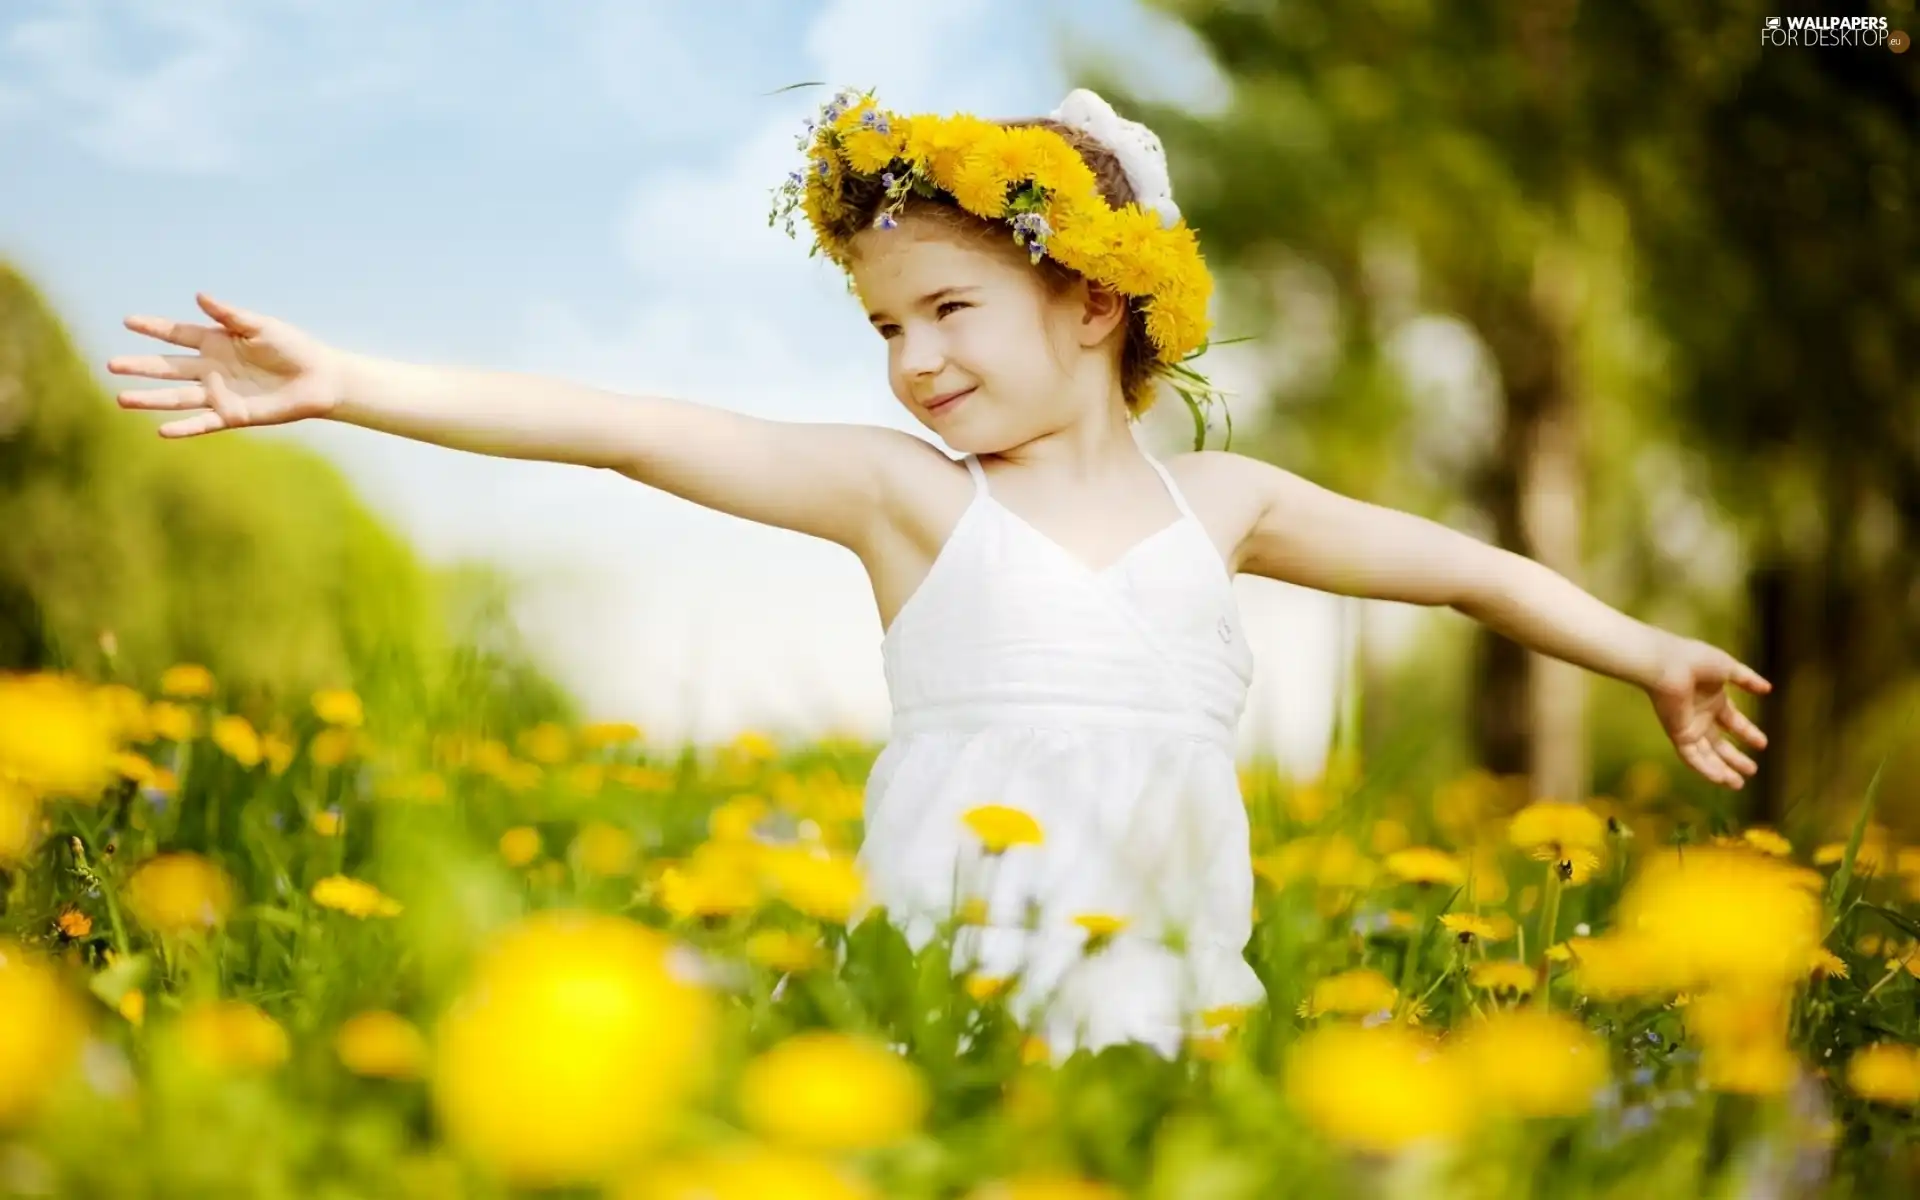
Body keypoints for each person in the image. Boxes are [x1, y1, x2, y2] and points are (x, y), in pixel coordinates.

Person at [106, 87, 1770, 1059]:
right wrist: (351, 381)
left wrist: (1643, 653)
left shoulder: (1231, 508)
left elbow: (1469, 569)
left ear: (1096, 304)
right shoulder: (907, 502)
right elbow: (621, 426)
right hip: (947, 1002)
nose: (910, 361)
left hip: (1182, 1011)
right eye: (887, 325)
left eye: (947, 312)